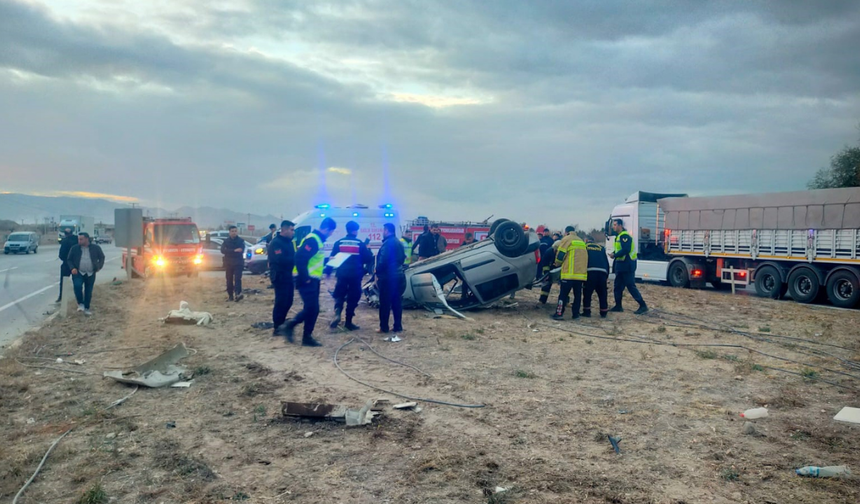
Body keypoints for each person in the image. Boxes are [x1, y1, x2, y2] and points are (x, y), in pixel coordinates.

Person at [282, 217, 337, 346]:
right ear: (326, 229)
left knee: (312, 308)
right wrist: (305, 277)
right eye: (331, 232)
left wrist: (329, 259)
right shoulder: (313, 240)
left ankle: (306, 336)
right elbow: (300, 258)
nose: (330, 235)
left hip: (312, 279)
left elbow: (314, 260)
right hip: (307, 279)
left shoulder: (317, 240)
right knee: (312, 308)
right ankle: (291, 326)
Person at [328, 221, 373, 330]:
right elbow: (368, 258)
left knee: (339, 294)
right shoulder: (359, 244)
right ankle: (348, 322)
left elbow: (332, 259)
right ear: (355, 231)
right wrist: (368, 249)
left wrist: (328, 272)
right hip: (355, 275)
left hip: (342, 274)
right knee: (353, 297)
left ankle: (337, 311)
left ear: (347, 229)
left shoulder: (339, 243)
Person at [609, 219, 648, 314]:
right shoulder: (619, 236)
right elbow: (620, 249)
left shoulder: (624, 236)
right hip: (621, 265)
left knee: (630, 286)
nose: (613, 227)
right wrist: (614, 253)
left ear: (620, 225)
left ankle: (643, 305)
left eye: (615, 225)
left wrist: (615, 255)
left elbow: (626, 249)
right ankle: (618, 306)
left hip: (627, 265)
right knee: (617, 286)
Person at [377, 222, 406, 339]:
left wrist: (377, 271)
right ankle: (397, 326)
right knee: (396, 302)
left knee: (384, 303)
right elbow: (402, 258)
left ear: (387, 231)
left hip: (388, 277)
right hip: (399, 276)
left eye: (383, 230)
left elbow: (383, 260)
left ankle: (384, 327)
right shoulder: (399, 242)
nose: (382, 232)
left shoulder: (387, 244)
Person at [551, 226, 587, 320]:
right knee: (577, 295)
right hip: (580, 275)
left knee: (563, 295)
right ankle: (576, 314)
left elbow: (561, 254)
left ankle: (559, 314)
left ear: (566, 232)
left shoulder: (566, 239)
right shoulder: (581, 241)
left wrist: (557, 264)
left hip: (569, 274)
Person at [66, 233, 105, 316]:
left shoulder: (95, 248)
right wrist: (72, 268)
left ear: (87, 239)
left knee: (88, 291)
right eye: (78, 239)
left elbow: (102, 257)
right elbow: (69, 259)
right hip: (78, 272)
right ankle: (80, 304)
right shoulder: (75, 248)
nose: (79, 241)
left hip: (90, 273)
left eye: (81, 239)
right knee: (77, 286)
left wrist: (99, 266)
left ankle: (87, 308)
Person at [269, 220, 296, 335]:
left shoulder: (289, 242)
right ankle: (277, 326)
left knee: (289, 300)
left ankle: (282, 321)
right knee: (281, 301)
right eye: (291, 230)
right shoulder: (276, 243)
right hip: (279, 276)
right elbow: (280, 259)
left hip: (288, 275)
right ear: (284, 230)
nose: (293, 232)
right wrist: (296, 259)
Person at [583, 236, 610, 318]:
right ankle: (603, 312)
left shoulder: (585, 247)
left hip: (590, 271)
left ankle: (587, 311)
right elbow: (606, 261)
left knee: (587, 292)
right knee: (602, 293)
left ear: (586, 240)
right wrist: (606, 275)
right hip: (602, 272)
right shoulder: (601, 248)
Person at [220, 226, 246, 302]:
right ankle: (230, 296)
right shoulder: (226, 241)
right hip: (228, 263)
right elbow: (222, 250)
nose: (234, 232)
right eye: (232, 231)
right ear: (229, 232)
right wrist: (234, 250)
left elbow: (241, 250)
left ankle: (238, 294)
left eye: (235, 231)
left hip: (238, 263)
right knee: (229, 280)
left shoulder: (241, 241)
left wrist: (229, 251)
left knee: (238, 279)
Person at [56, 227, 77, 303]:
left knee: (64, 282)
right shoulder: (77, 239)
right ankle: (78, 298)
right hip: (76, 265)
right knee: (77, 282)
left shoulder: (64, 241)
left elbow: (61, 254)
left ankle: (61, 297)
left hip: (66, 264)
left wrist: (65, 260)